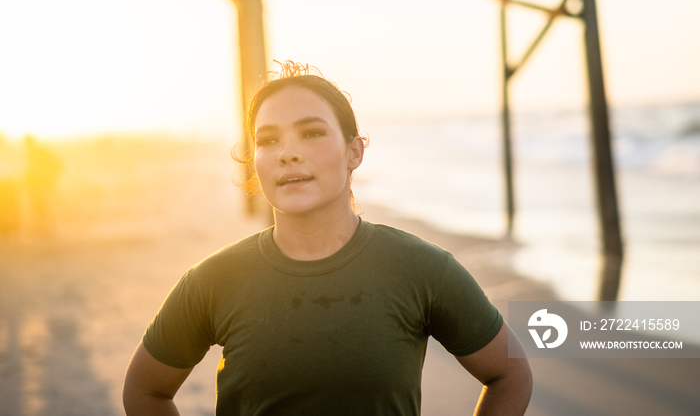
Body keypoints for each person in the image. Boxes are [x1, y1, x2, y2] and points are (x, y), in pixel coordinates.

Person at [123, 61, 532, 415]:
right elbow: (144, 390)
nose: (287, 152)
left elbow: (510, 374)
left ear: (354, 152)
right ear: (256, 164)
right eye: (268, 140)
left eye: (312, 133)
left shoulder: (422, 269)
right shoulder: (213, 280)